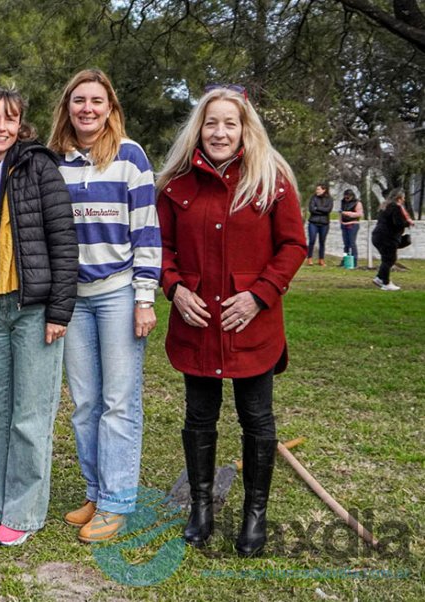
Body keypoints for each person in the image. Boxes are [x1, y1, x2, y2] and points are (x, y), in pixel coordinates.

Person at [156, 85, 306, 557]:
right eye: (211, 123)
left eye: (230, 123)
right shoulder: (176, 184)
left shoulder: (271, 180)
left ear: (245, 129)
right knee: (199, 415)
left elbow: (293, 246)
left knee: (256, 417)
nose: (219, 132)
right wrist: (175, 288)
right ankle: (200, 509)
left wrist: (260, 295)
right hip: (198, 321)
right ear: (198, 128)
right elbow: (160, 247)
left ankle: (254, 515)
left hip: (250, 325)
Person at [0, 88, 78, 546]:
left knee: (30, 413)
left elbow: (63, 241)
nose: (1, 127)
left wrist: (59, 310)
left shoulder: (38, 166)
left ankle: (23, 512)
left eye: (9, 119)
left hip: (32, 307)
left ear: (20, 124)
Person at [47, 69, 161, 543]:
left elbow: (147, 229)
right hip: (74, 297)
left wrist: (144, 297)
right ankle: (95, 492)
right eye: (79, 101)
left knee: (118, 402)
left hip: (117, 291)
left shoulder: (130, 156)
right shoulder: (55, 161)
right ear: (68, 107)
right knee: (85, 404)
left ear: (110, 107)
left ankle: (116, 502)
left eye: (97, 101)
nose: (87, 109)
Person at [372, 188, 414, 291]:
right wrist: (408, 223)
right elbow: (398, 223)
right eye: (403, 198)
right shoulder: (396, 207)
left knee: (387, 259)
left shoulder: (385, 206)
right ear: (399, 198)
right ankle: (386, 283)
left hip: (378, 236)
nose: (404, 200)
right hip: (387, 237)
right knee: (389, 259)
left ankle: (379, 278)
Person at [306, 183, 333, 266]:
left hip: (324, 223)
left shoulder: (329, 199)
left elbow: (328, 210)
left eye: (318, 189)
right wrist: (322, 210)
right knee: (312, 240)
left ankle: (321, 259)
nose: (316, 191)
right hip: (313, 222)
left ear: (324, 190)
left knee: (322, 241)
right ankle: (309, 258)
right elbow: (311, 209)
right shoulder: (313, 198)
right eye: (316, 189)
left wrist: (317, 208)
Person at [339, 188, 363, 267]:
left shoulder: (357, 203)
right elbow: (341, 212)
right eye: (345, 196)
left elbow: (359, 214)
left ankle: (354, 260)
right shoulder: (343, 202)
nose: (346, 198)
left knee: (352, 243)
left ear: (352, 196)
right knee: (346, 244)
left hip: (353, 224)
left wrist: (347, 213)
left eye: (348, 197)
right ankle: (345, 259)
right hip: (344, 224)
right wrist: (341, 221)